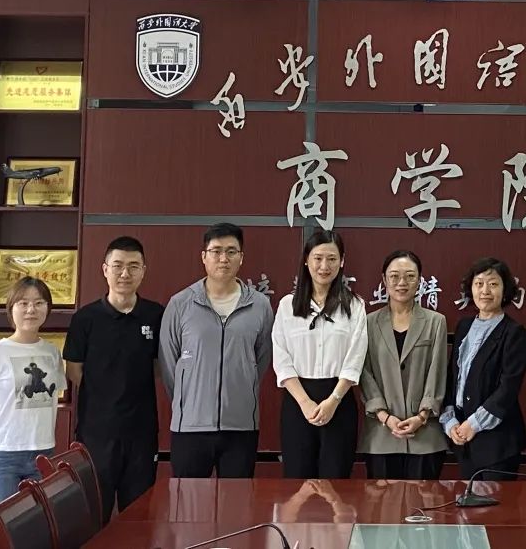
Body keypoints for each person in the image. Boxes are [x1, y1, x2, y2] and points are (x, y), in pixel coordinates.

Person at [158, 222, 274, 478]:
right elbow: (169, 363)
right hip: (190, 426)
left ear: (241, 257)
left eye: (231, 251)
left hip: (241, 425)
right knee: (187, 500)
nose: (224, 258)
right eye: (216, 251)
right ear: (204, 256)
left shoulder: (260, 306)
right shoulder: (180, 304)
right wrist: (188, 398)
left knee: (238, 499)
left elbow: (261, 359)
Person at [64, 236, 164, 523]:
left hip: (141, 435)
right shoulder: (85, 318)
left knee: (138, 518)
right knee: (95, 518)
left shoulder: (156, 315)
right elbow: (74, 370)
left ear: (143, 271)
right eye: (118, 265)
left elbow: (160, 366)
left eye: (133, 266)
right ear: (105, 269)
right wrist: (105, 395)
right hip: (96, 435)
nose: (125, 273)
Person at [0, 277, 66, 549]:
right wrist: (3, 422)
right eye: (23, 303)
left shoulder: (52, 352)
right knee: (0, 533)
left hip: (42, 454)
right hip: (3, 456)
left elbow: (54, 394)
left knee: (37, 531)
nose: (31, 310)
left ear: (47, 308)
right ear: (11, 308)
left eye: (39, 303)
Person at [272, 229, 367, 478]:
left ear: (342, 262)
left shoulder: (355, 305)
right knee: (297, 480)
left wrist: (333, 401)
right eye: (318, 258)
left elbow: (355, 358)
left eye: (332, 259)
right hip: (297, 401)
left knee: (336, 481)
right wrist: (305, 403)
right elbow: (281, 358)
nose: (324, 266)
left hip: (339, 400)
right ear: (306, 260)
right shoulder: (287, 305)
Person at [359, 250, 449, 479]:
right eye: (394, 276)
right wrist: (384, 416)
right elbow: (364, 372)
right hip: (380, 435)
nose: (402, 283)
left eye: (410, 276)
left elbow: (437, 371)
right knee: (381, 502)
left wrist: (422, 416)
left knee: (425, 500)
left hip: (425, 435)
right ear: (384, 279)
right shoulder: (368, 323)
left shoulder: (435, 322)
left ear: (419, 281)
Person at [442, 257, 526, 480]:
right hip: (463, 439)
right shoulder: (463, 326)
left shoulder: (513, 332)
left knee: (496, 502)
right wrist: (450, 421)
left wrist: (473, 425)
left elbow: (508, 388)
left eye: (493, 284)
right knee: (468, 502)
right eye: (479, 283)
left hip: (497, 443)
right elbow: (453, 378)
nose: (485, 291)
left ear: (505, 290)